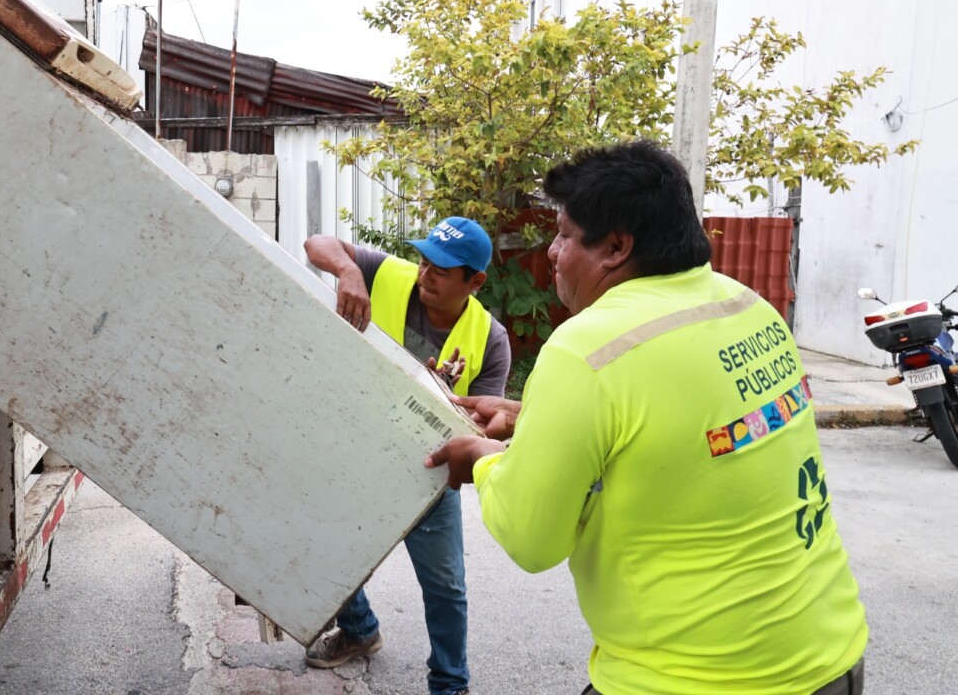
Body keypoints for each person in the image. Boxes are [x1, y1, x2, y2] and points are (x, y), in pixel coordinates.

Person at [425, 141, 868, 695]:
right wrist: (535, 420)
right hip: (831, 656)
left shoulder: (588, 349)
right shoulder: (748, 305)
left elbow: (530, 539)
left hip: (693, 678)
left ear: (616, 246)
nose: (553, 252)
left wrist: (483, 460)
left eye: (563, 234)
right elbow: (665, 433)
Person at [303, 216, 510, 695]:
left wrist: (439, 396)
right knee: (331, 547)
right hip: (358, 445)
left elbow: (481, 428)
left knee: (445, 587)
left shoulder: (489, 338)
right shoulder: (391, 275)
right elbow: (317, 243)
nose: (425, 275)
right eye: (424, 261)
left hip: (427, 469)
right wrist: (349, 272)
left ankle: (450, 683)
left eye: (442, 269)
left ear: (474, 281)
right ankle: (359, 631)